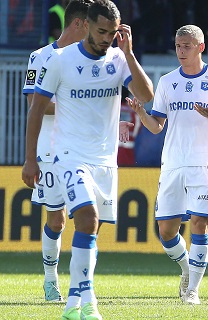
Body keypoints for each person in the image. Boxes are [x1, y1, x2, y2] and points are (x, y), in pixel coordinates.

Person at [21, 1, 154, 319]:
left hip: (104, 158)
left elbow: (148, 96)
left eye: (113, 32)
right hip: (63, 154)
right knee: (71, 218)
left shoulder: (119, 59)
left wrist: (130, 54)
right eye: (102, 31)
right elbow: (35, 108)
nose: (107, 37)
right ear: (85, 25)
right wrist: (30, 160)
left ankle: (76, 302)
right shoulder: (55, 59)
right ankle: (70, 295)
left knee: (88, 229)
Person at [126, 25, 208, 305]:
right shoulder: (167, 81)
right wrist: (141, 112)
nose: (181, 51)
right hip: (173, 163)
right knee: (166, 230)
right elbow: (157, 127)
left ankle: (193, 291)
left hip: (205, 164)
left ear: (201, 47)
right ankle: (188, 269)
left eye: (187, 46)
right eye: (178, 46)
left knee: (201, 223)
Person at [22, 0, 92, 303]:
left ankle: (82, 286)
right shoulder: (41, 57)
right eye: (91, 26)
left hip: (84, 151)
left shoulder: (90, 60)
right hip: (49, 151)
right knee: (56, 221)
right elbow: (33, 106)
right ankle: (50, 280)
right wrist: (74, 106)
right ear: (77, 24)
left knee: (90, 218)